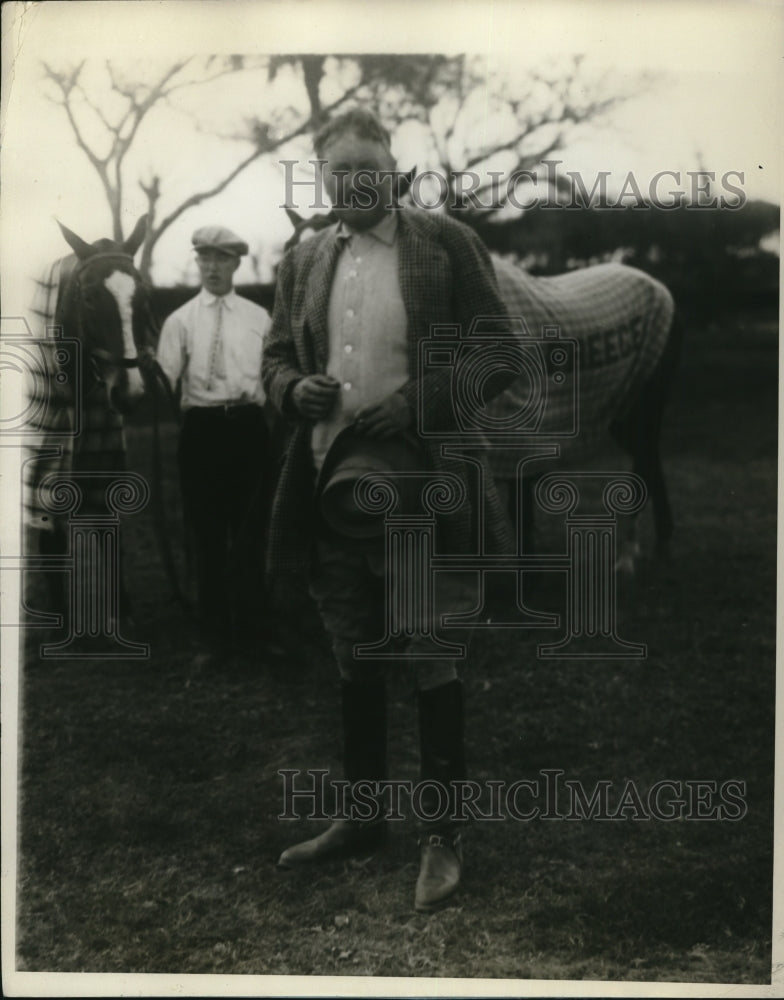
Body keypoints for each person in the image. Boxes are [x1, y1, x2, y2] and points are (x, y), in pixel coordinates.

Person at [262, 108, 517, 911]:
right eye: (338, 171)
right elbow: (274, 356)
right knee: (354, 651)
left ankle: (444, 840)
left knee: (430, 654)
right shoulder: (303, 261)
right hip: (331, 492)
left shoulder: (443, 245)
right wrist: (289, 389)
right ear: (323, 176)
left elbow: (499, 355)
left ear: (394, 169)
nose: (353, 182)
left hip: (423, 495)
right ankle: (364, 821)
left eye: (368, 166)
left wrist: (417, 403)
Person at [156, 225, 272, 667]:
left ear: (236, 264)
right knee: (207, 534)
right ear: (197, 263)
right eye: (205, 259)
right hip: (202, 432)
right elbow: (164, 384)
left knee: (250, 531)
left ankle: (256, 630)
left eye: (222, 259)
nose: (212, 268)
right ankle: (214, 636)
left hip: (248, 428)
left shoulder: (259, 318)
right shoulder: (179, 321)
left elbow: (273, 375)